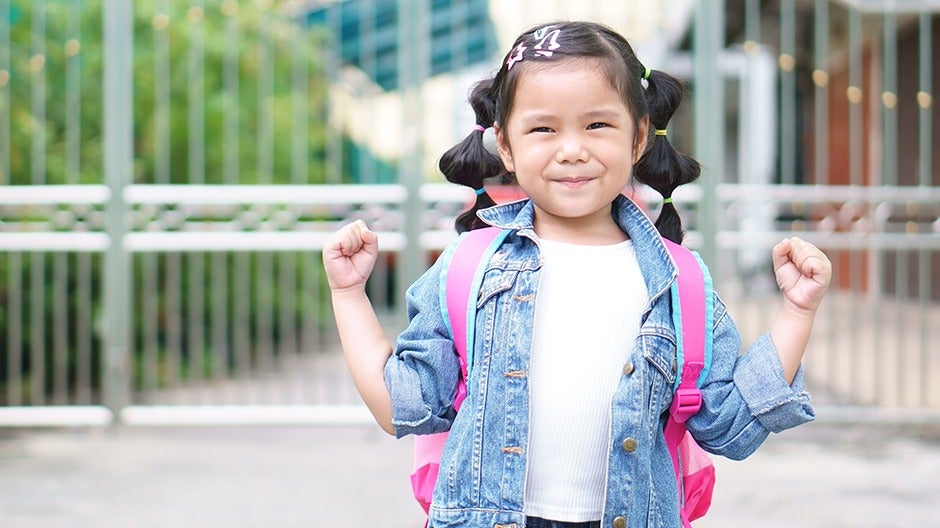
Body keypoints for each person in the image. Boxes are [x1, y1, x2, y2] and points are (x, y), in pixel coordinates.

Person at [322, 21, 832, 528]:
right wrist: (348, 294)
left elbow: (730, 425)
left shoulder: (678, 282)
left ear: (637, 139)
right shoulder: (468, 266)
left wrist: (797, 312)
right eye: (544, 128)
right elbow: (402, 406)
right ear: (505, 145)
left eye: (597, 125)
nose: (572, 149)